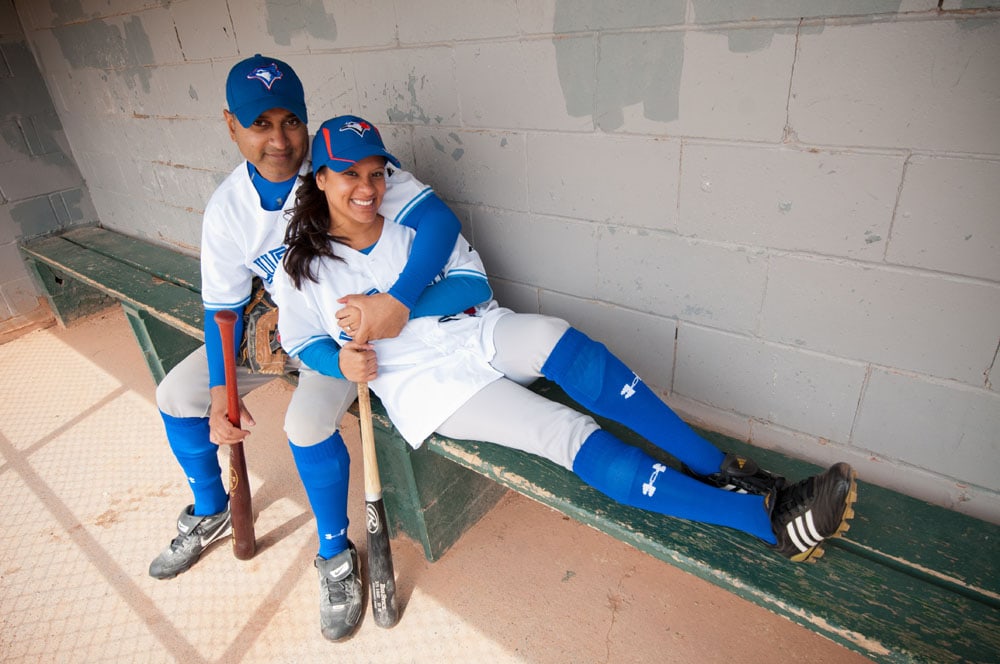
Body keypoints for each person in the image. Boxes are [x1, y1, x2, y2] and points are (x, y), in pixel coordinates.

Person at [274, 115, 860, 638]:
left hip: (470, 330)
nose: (367, 188)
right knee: (565, 431)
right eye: (348, 174)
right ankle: (761, 522)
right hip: (423, 383)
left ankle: (722, 469)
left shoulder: (405, 217)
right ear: (320, 178)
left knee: (561, 340)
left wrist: (392, 305)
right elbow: (301, 342)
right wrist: (342, 361)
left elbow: (472, 287)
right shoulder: (302, 266)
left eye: (376, 173)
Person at [150, 57, 465, 642]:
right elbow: (222, 308)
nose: (278, 139)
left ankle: (333, 553)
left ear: (306, 120)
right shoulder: (228, 208)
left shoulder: (341, 170)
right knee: (177, 394)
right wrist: (222, 390)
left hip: (347, 334)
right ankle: (210, 507)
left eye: (290, 120)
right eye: (259, 124)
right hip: (281, 328)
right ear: (231, 126)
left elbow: (441, 225)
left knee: (307, 424)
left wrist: (394, 300)